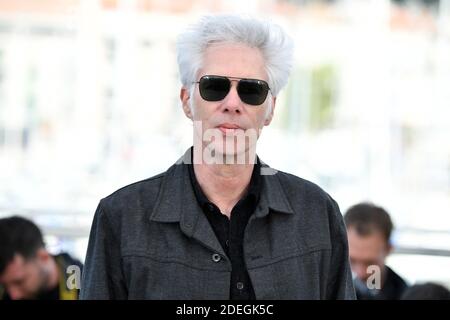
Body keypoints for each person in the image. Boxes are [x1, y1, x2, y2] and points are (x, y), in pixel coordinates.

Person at [81, 14, 355, 300]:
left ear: (271, 109)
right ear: (187, 100)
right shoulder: (121, 217)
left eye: (252, 90)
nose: (232, 103)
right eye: (214, 86)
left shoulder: (317, 214)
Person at [0, 216, 83, 300]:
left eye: (19, 282)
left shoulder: (86, 285)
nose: (14, 295)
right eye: (4, 285)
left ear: (43, 257)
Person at [344, 202, 408, 300]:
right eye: (351, 261)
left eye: (370, 263)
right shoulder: (324, 290)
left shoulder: (406, 295)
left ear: (388, 249)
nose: (361, 273)